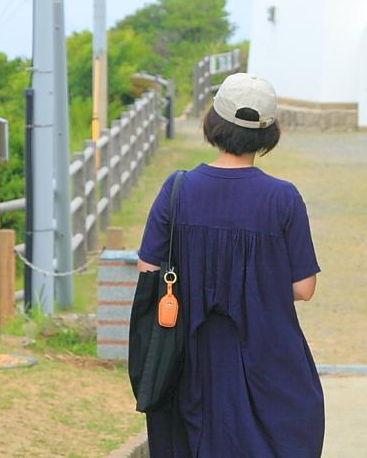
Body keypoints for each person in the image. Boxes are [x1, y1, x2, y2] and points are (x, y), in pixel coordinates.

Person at [136, 73, 324, 457]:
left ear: (213, 123)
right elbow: (304, 287)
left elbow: (147, 269)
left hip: (188, 364)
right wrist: (257, 283)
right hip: (268, 359)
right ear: (268, 135)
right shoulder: (283, 199)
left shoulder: (177, 190)